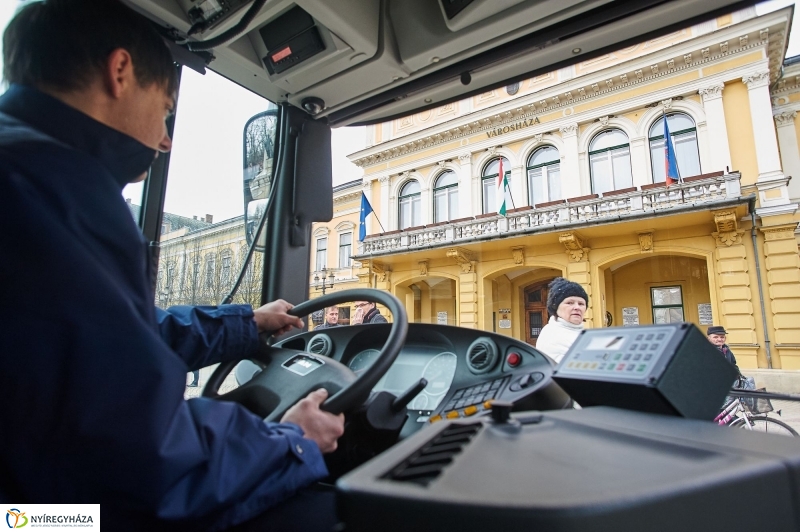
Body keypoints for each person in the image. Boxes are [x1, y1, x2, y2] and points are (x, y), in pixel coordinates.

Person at [0, 1, 344, 530]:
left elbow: (106, 344)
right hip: (36, 518)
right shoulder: (60, 194)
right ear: (119, 72)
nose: (164, 139)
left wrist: (243, 324)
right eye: (165, 110)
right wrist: (290, 442)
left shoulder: (27, 174)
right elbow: (142, 465)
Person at [535, 277, 588, 364]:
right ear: (556, 307)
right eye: (569, 303)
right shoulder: (552, 334)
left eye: (581, 304)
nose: (577, 307)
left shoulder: (580, 332)